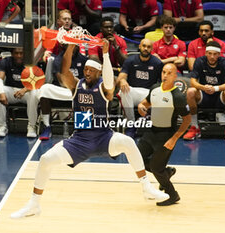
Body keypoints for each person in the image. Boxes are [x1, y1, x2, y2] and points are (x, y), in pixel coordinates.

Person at [10, 40, 169, 219]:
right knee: (46, 160)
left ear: (99, 72)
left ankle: (146, 186)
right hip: (80, 140)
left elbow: (110, 81)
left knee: (127, 141)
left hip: (103, 137)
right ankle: (34, 204)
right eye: (85, 69)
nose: (86, 72)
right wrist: (70, 45)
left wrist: (107, 54)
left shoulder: (104, 88)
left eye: (91, 70)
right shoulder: (76, 85)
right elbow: (64, 71)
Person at [137, 63, 191, 206]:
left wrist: (174, 139)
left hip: (166, 135)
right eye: (163, 72)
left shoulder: (177, 96)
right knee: (137, 159)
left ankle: (172, 195)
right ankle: (166, 173)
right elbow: (146, 102)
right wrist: (141, 107)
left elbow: (187, 120)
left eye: (169, 73)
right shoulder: (155, 88)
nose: (165, 75)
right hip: (150, 131)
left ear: (175, 76)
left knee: (156, 168)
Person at [183, 41, 225, 142]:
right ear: (206, 53)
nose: (212, 56)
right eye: (209, 53)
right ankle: (194, 127)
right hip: (204, 95)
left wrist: (215, 88)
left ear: (219, 54)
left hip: (219, 96)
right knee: (190, 91)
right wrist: (203, 87)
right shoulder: (199, 61)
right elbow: (193, 82)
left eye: (215, 54)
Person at [38, 44, 87, 140]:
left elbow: (87, 79)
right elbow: (62, 81)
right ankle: (47, 126)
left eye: (74, 45)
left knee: (86, 90)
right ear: (64, 47)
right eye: (69, 45)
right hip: (62, 89)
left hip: (78, 90)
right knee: (45, 89)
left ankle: (83, 129)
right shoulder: (58, 59)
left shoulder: (84, 60)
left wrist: (79, 86)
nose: (72, 48)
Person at [116, 38, 163, 138]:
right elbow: (121, 76)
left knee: (159, 94)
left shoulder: (157, 63)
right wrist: (122, 80)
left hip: (148, 94)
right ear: (139, 46)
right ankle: (131, 126)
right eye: (144, 46)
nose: (146, 49)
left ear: (152, 49)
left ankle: (153, 127)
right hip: (133, 92)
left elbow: (161, 83)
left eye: (148, 47)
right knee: (124, 91)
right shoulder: (130, 60)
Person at [0, 47, 39, 138]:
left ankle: (31, 127)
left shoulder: (30, 62)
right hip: (11, 91)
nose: (19, 56)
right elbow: (0, 78)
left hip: (26, 92)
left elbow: (36, 82)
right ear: (12, 54)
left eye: (21, 53)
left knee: (34, 93)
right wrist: (1, 92)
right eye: (16, 53)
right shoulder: (5, 61)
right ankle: (2, 126)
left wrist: (25, 89)